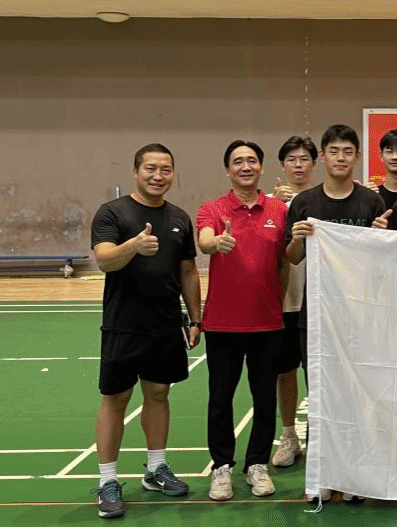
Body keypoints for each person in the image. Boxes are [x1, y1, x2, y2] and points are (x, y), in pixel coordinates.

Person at [89, 143, 202, 520]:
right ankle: (107, 481)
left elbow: (188, 271)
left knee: (158, 393)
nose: (158, 176)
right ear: (136, 172)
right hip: (123, 324)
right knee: (116, 399)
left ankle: (156, 469)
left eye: (165, 169)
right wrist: (134, 245)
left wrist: (195, 318)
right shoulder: (113, 213)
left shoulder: (179, 218)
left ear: (173, 174)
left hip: (165, 324)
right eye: (151, 168)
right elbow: (104, 260)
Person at [284, 124, 390, 503]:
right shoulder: (304, 203)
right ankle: (321, 476)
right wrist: (297, 238)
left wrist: (380, 236)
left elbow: (383, 261)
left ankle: (355, 478)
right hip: (316, 317)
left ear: (356, 157)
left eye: (348, 151)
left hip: (360, 317)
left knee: (357, 397)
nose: (341, 157)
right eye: (334, 151)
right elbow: (293, 257)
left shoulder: (371, 203)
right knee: (321, 395)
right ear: (323, 157)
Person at [196, 140, 289, 501]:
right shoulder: (212, 209)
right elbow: (204, 240)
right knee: (220, 400)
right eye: (238, 161)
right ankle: (222, 467)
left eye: (252, 160)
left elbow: (284, 263)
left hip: (267, 323)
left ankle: (257, 465)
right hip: (222, 324)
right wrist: (215, 242)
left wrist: (276, 302)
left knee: (265, 400)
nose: (245, 166)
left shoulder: (279, 210)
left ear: (261, 168)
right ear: (228, 170)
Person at [268, 136, 318, 469]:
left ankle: (321, 437)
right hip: (284, 301)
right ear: (282, 165)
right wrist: (273, 205)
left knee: (318, 373)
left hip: (319, 302)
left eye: (304, 159)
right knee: (284, 372)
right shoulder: (271, 205)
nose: (298, 165)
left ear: (315, 163)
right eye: (291, 159)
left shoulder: (324, 200)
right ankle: (289, 436)